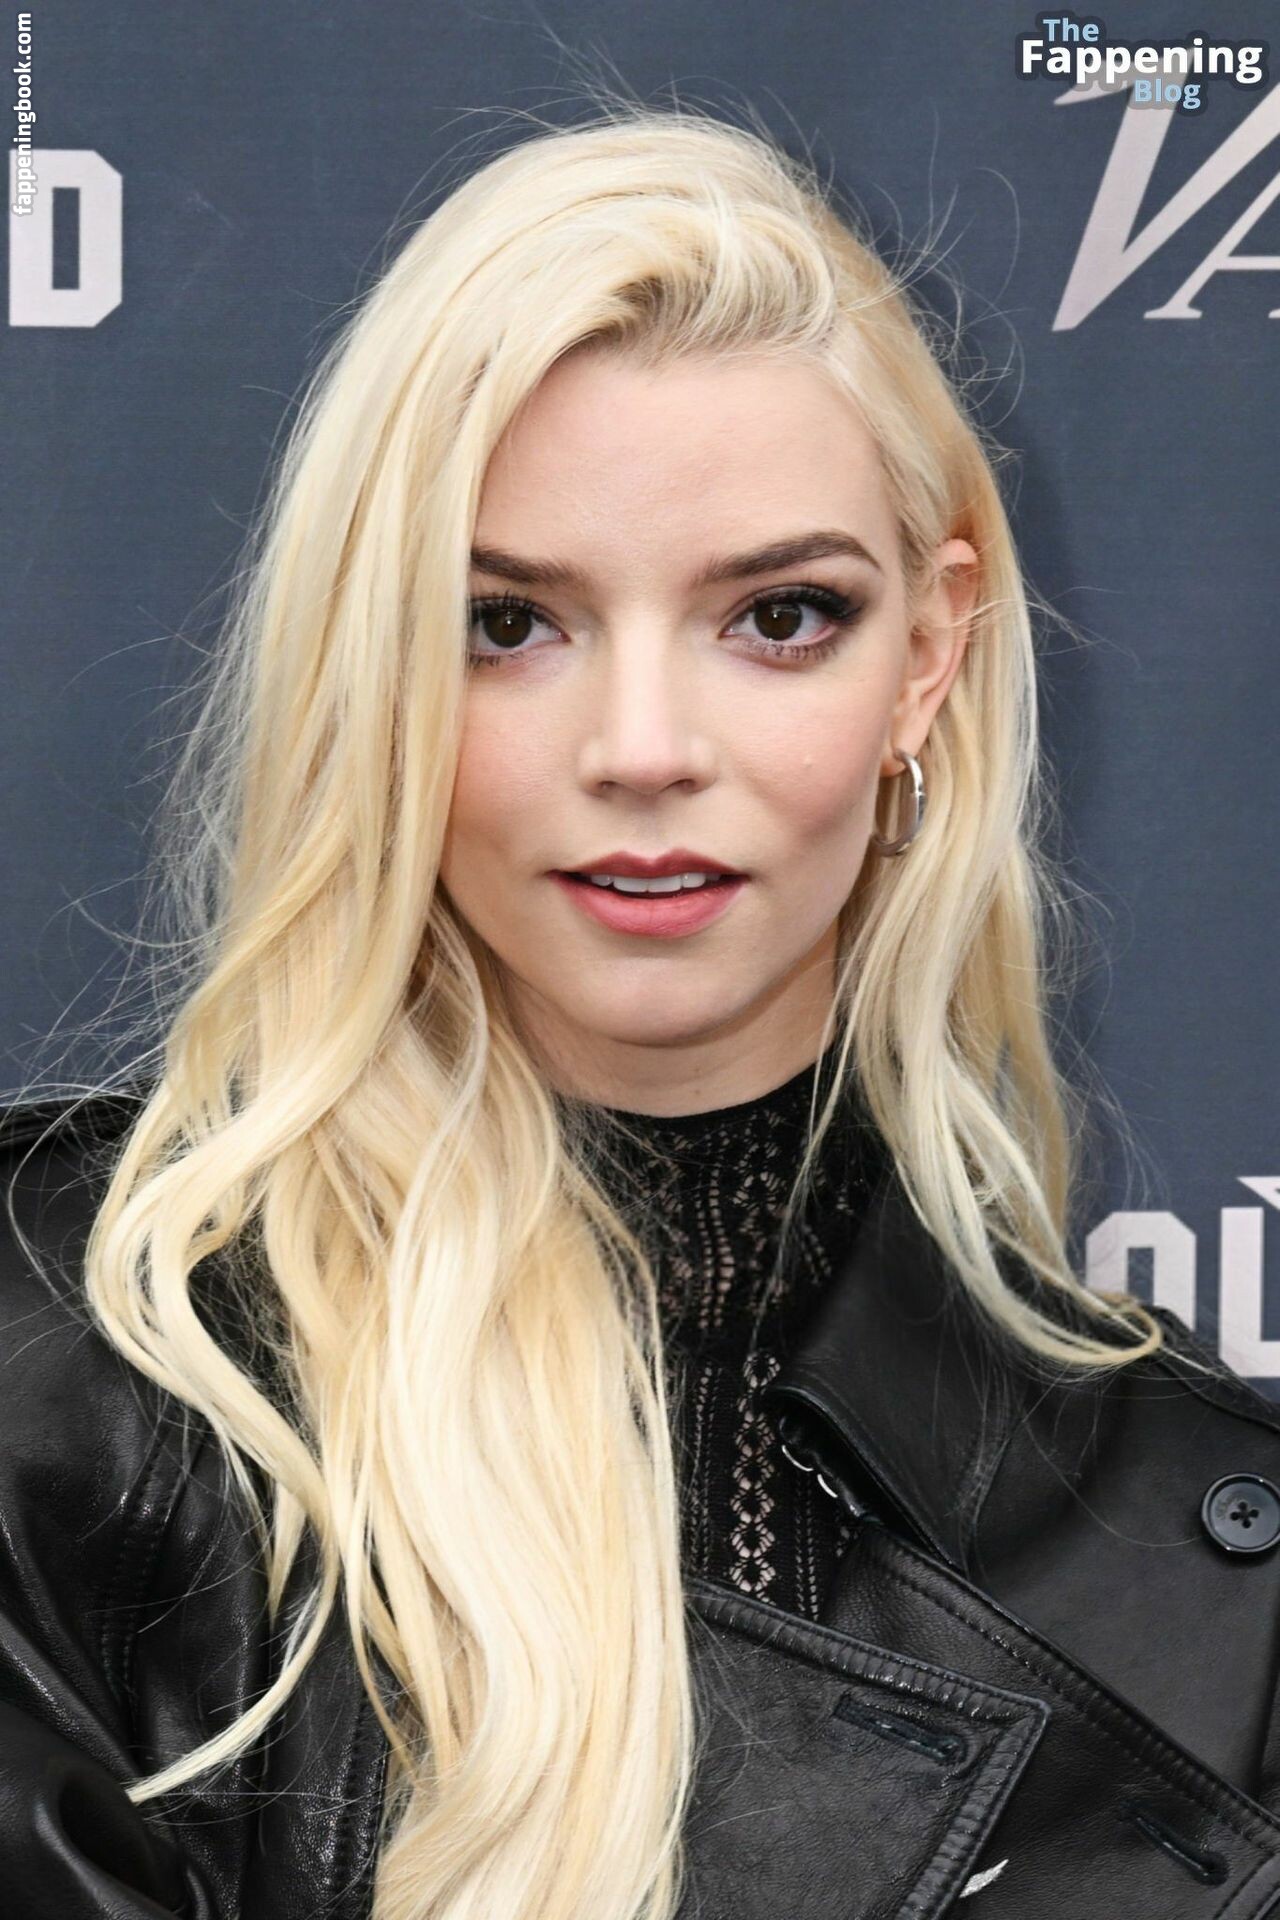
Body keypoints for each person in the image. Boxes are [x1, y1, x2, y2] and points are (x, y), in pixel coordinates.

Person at [4, 98, 1280, 1920]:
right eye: (508, 624)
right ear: (376, 665)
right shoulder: (73, 1391)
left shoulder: (1206, 1557)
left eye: (781, 617)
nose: (646, 750)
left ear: (929, 657)